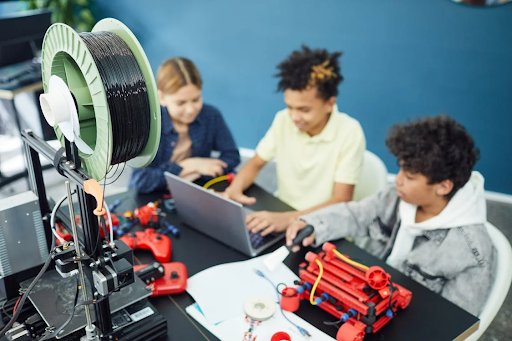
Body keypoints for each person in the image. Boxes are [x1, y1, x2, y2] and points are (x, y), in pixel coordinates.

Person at [285, 115, 496, 316]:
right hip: (367, 300)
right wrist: (312, 224)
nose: (397, 180)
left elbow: (454, 321)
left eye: (410, 177)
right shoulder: (397, 197)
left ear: (443, 186)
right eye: (401, 169)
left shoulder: (472, 252)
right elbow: (356, 215)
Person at [223, 46, 366, 235]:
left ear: (329, 104)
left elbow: (341, 200)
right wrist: (235, 188)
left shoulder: (350, 132)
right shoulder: (283, 119)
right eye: (289, 107)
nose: (294, 116)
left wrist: (290, 218)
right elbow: (256, 162)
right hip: (283, 211)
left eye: (304, 110)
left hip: (323, 225)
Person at [129, 58, 240, 193]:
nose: (190, 110)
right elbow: (141, 181)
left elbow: (232, 156)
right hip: (154, 196)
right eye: (181, 103)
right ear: (162, 98)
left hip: (194, 190)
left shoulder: (211, 115)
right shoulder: (147, 125)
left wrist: (198, 172)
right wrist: (190, 165)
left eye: (196, 99)